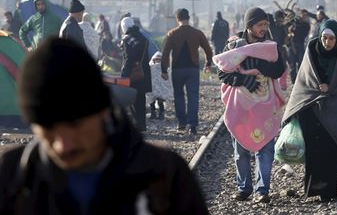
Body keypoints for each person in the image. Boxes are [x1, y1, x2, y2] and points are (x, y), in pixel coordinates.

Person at [0, 37, 208, 214]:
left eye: (76, 124)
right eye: (48, 129)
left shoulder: (165, 175)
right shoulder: (12, 178)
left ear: (103, 111)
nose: (64, 144)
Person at [282, 19, 337, 202]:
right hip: (311, 111)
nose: (327, 42)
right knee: (314, 150)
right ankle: (312, 190)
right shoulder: (311, 53)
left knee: (332, 149)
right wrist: (317, 90)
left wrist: (331, 88)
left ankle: (328, 192)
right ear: (320, 36)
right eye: (324, 38)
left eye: (331, 39)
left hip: (336, 111)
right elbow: (304, 82)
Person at [216, 7, 286, 203]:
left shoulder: (270, 46)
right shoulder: (233, 46)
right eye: (260, 25)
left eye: (266, 25)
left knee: (266, 148)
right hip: (241, 107)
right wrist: (244, 80)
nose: (264, 28)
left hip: (265, 106)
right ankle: (244, 188)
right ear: (249, 26)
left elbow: (279, 69)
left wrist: (258, 64)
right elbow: (222, 73)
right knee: (241, 150)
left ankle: (262, 190)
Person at [161, 8, 213, 135]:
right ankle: (193, 125)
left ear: (177, 18)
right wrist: (208, 64)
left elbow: (165, 53)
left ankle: (181, 124)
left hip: (177, 70)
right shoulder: (197, 33)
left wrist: (164, 70)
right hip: (193, 69)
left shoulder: (172, 34)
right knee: (193, 97)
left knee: (178, 96)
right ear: (188, 18)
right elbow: (208, 50)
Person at [120, 17, 152, 132]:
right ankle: (142, 125)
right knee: (141, 99)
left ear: (124, 27)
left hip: (132, 74)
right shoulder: (143, 37)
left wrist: (124, 75)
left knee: (132, 100)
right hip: (143, 73)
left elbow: (128, 59)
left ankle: (136, 125)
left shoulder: (127, 40)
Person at [286, 9, 311, 84]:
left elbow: (303, 34)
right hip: (292, 45)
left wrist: (295, 27)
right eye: (302, 14)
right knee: (292, 64)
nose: (303, 16)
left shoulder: (306, 25)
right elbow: (287, 24)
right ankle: (294, 81)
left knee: (301, 64)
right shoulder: (294, 22)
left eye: (305, 15)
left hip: (300, 45)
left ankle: (300, 81)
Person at [147, 52, 173, 120]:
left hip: (161, 89)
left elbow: (168, 80)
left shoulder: (165, 70)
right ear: (153, 60)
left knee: (160, 101)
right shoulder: (151, 68)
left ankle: (161, 114)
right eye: (156, 60)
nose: (158, 61)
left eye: (159, 60)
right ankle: (153, 113)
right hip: (153, 88)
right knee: (151, 101)